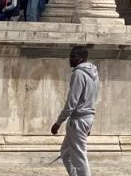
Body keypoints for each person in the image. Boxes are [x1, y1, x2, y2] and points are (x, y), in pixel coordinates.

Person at [50, 45, 99, 176]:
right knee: (65, 153)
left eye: (73, 56)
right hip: (86, 119)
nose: (70, 59)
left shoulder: (79, 74)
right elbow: (92, 98)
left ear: (80, 58)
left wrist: (58, 122)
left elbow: (72, 102)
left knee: (80, 158)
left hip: (78, 121)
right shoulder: (94, 73)